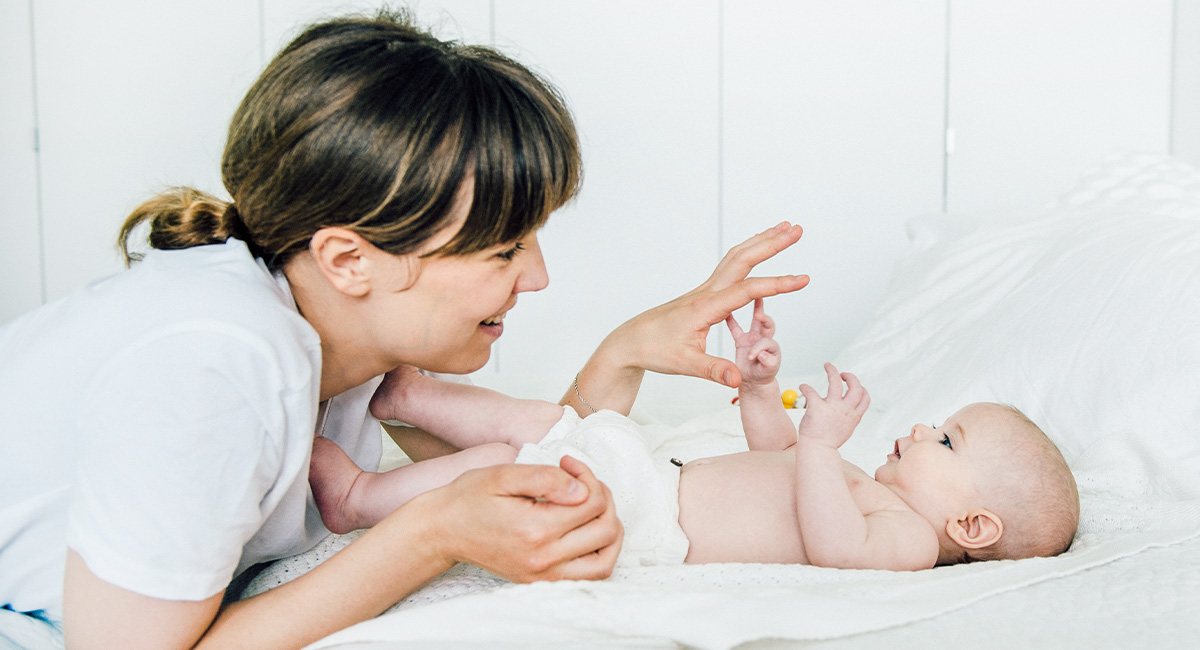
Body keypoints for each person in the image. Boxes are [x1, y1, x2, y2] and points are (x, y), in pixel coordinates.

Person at [0, 10, 810, 650]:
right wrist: (429, 535)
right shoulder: (218, 361)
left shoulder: (342, 345)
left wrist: (622, 352)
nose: (537, 278)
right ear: (350, 261)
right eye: (503, 249)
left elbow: (513, 472)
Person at [312, 299, 1080, 570]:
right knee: (552, 422)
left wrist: (819, 447)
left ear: (972, 526)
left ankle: (361, 495)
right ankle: (413, 394)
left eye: (946, 442)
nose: (920, 429)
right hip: (650, 472)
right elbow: (773, 456)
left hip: (648, 519)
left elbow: (836, 549)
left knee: (506, 460)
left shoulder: (906, 542)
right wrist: (756, 387)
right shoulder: (860, 484)